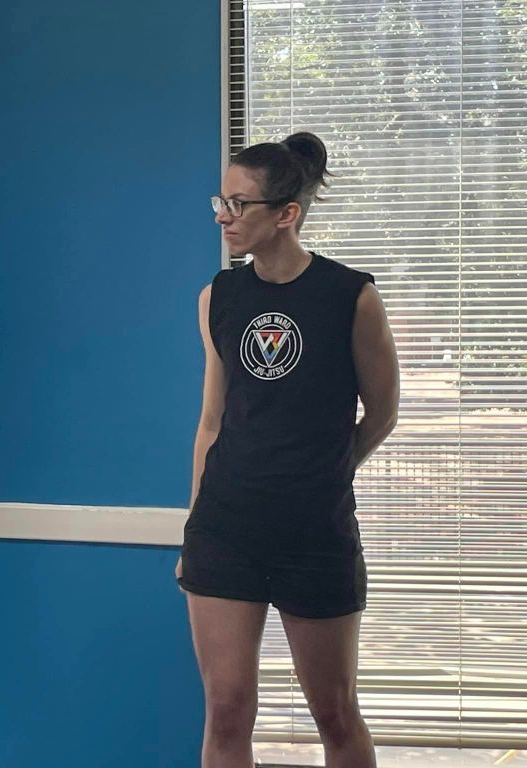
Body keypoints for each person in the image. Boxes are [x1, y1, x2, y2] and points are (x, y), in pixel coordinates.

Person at [175, 133, 400, 768]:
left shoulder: (351, 297)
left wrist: (327, 473)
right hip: (225, 532)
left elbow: (382, 412)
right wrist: (195, 524)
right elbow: (212, 421)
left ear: (286, 213)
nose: (223, 216)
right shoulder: (219, 297)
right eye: (220, 201)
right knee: (226, 709)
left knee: (335, 712)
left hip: (315, 537)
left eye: (238, 204)